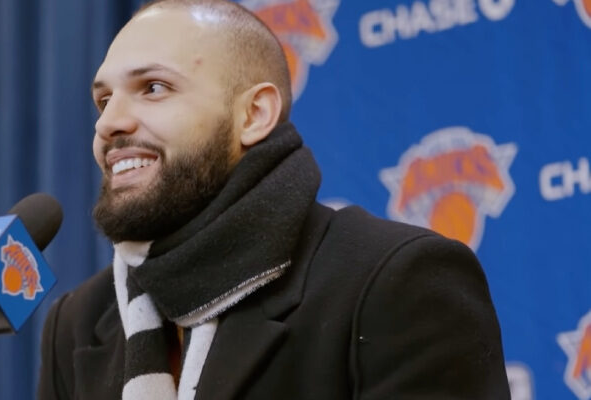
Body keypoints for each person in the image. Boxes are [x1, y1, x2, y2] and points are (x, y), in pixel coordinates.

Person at [38, 0, 510, 399]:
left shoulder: (397, 279)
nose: (108, 124)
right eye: (103, 100)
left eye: (153, 88)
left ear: (255, 115)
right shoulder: (78, 322)